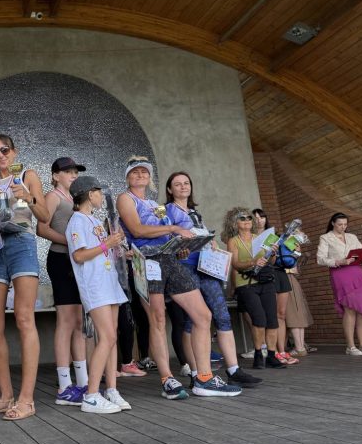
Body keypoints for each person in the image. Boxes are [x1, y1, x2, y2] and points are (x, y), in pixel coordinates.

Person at [117, 157, 238, 399]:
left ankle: (203, 378)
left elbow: (165, 228)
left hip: (169, 259)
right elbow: (138, 229)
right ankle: (167, 379)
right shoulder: (125, 198)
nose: (141, 175)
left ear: (150, 178)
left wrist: (181, 244)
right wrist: (173, 229)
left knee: (203, 315)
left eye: (145, 171)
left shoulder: (155, 203)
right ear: (128, 176)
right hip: (147, 261)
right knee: (158, 318)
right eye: (135, 172)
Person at [165, 172, 261, 389]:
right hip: (185, 268)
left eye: (186, 183)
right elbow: (167, 239)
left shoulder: (195, 212)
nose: (183, 187)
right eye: (177, 184)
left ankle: (234, 370)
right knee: (193, 321)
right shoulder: (167, 212)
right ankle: (196, 372)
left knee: (222, 315)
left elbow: (203, 236)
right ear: (170, 190)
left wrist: (213, 244)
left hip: (207, 266)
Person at [0, 134, 48, 420]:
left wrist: (28, 197)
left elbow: (43, 216)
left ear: (14, 151)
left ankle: (26, 399)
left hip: (21, 244)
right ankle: (6, 396)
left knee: (23, 317)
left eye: (4, 150)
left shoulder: (28, 176)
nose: (0, 156)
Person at [66, 176, 131, 413]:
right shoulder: (77, 221)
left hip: (109, 282)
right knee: (106, 337)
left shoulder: (93, 219)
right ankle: (91, 394)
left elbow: (101, 252)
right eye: (98, 191)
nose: (101, 196)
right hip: (94, 286)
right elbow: (79, 256)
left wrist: (116, 246)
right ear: (88, 193)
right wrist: (108, 243)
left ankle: (111, 389)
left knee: (112, 336)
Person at [36, 157, 90, 406]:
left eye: (75, 172)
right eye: (68, 171)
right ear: (56, 175)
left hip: (77, 262)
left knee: (78, 321)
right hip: (60, 261)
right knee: (66, 321)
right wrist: (71, 243)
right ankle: (65, 385)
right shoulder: (53, 196)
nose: (73, 175)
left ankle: (83, 380)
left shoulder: (74, 199)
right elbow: (41, 228)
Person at [223, 207, 285, 370]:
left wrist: (273, 253)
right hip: (246, 283)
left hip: (265, 281)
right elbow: (235, 263)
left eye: (249, 218)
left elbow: (270, 262)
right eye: (242, 218)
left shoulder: (261, 237)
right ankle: (259, 353)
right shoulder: (233, 241)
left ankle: (271, 356)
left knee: (272, 320)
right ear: (236, 223)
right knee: (259, 319)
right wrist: (252, 263)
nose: (247, 220)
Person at [252, 208, 298, 366]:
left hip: (280, 273)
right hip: (262, 275)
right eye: (255, 217)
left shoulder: (277, 235)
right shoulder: (249, 238)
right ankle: (274, 351)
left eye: (262, 217)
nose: (259, 220)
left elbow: (295, 251)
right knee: (270, 314)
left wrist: (296, 248)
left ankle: (282, 350)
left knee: (282, 314)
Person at [316, 212, 362, 355]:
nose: (343, 227)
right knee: (350, 309)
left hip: (357, 273)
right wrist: (339, 261)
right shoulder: (325, 238)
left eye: (345, 224)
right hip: (341, 274)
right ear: (333, 223)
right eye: (340, 224)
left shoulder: (352, 237)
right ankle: (350, 347)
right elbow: (320, 259)